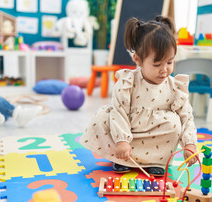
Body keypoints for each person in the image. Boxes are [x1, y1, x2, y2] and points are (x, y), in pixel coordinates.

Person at [80, 16, 198, 176]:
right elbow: (119, 111)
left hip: (156, 136)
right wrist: (121, 140)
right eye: (157, 64)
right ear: (138, 60)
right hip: (128, 130)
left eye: (169, 62)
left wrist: (190, 144)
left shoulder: (175, 86)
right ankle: (121, 158)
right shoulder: (128, 82)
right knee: (103, 115)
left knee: (175, 123)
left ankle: (155, 161)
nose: (164, 70)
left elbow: (186, 116)